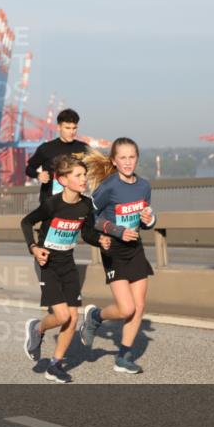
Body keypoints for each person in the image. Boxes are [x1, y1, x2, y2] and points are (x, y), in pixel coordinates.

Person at [20, 156, 110, 383]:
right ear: (62, 180)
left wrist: (100, 240)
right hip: (47, 263)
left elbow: (87, 233)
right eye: (78, 176)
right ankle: (37, 329)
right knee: (60, 316)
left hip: (68, 264)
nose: (84, 180)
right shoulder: (53, 204)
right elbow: (26, 222)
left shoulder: (86, 205)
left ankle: (55, 365)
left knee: (71, 318)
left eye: (84, 175)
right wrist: (33, 248)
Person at [80, 138, 156, 374]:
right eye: (122, 157)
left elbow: (145, 221)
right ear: (114, 160)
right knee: (126, 309)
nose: (127, 162)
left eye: (131, 157)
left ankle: (123, 356)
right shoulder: (108, 187)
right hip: (113, 249)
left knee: (139, 306)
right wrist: (117, 230)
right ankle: (95, 316)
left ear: (137, 158)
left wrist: (150, 220)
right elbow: (90, 219)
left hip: (135, 249)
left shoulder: (144, 186)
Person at [25, 108, 91, 203]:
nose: (71, 132)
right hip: (51, 202)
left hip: (77, 202)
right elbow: (29, 169)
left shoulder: (84, 148)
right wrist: (38, 175)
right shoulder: (46, 148)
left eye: (74, 128)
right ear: (59, 127)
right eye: (67, 128)